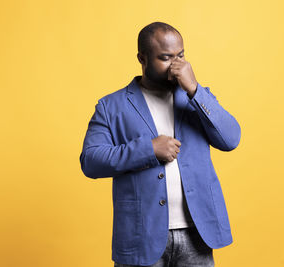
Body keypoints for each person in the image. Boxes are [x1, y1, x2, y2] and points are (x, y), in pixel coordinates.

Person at [79, 21, 241, 267]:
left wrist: (195, 90)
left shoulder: (198, 98)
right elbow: (91, 161)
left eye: (181, 56)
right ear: (142, 58)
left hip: (197, 234)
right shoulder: (111, 106)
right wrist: (148, 150)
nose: (176, 66)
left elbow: (231, 139)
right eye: (165, 58)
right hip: (140, 235)